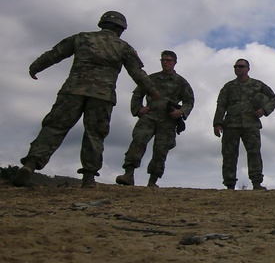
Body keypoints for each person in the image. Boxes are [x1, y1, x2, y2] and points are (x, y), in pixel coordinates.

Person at [14, 10, 159, 189]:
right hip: (102, 96)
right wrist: (152, 91)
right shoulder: (123, 47)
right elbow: (137, 73)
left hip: (73, 91)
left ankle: (30, 165)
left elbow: (55, 53)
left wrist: (36, 67)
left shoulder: (81, 38)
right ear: (120, 29)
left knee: (54, 127)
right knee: (95, 135)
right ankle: (88, 178)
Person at [117, 50, 195, 188]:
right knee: (138, 141)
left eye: (168, 60)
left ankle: (153, 181)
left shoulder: (181, 82)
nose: (165, 62)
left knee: (161, 150)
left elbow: (189, 101)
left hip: (168, 121)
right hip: (149, 117)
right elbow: (137, 94)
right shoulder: (151, 79)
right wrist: (138, 109)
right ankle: (128, 174)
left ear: (175, 62)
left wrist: (181, 112)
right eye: (163, 60)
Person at [212, 58, 275, 190]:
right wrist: (217, 123)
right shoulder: (228, 87)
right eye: (235, 67)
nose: (238, 69)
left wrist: (264, 110)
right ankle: (229, 184)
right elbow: (221, 105)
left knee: (254, 153)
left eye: (241, 66)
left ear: (248, 69)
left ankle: (256, 182)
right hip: (231, 125)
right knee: (229, 154)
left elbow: (273, 98)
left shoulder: (258, 85)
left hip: (251, 124)